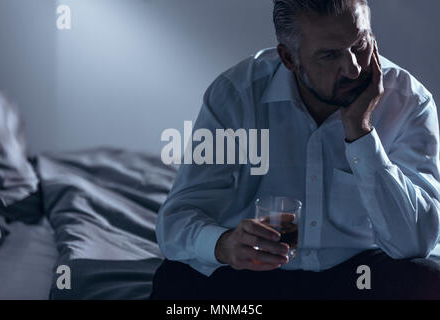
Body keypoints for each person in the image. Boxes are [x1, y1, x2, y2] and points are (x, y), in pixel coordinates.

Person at [150, 0, 440, 299]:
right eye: (330, 55)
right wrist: (225, 245)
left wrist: (361, 133)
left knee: (428, 280)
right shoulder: (236, 95)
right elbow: (175, 221)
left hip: (359, 276)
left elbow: (415, 243)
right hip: (256, 275)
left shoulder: (409, 101)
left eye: (361, 45)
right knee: (175, 281)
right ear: (288, 57)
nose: (353, 69)